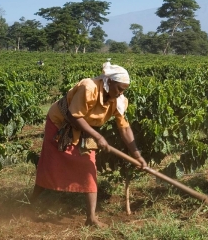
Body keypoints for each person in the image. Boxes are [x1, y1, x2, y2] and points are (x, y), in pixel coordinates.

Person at [29, 61, 147, 227]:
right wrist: (98, 137)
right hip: (60, 123)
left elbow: (125, 129)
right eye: (119, 89)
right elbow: (74, 116)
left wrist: (137, 155)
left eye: (124, 91)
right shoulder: (89, 87)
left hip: (85, 129)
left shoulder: (119, 101)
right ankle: (30, 203)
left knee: (89, 167)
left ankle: (91, 218)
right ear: (110, 82)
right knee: (50, 165)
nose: (120, 93)